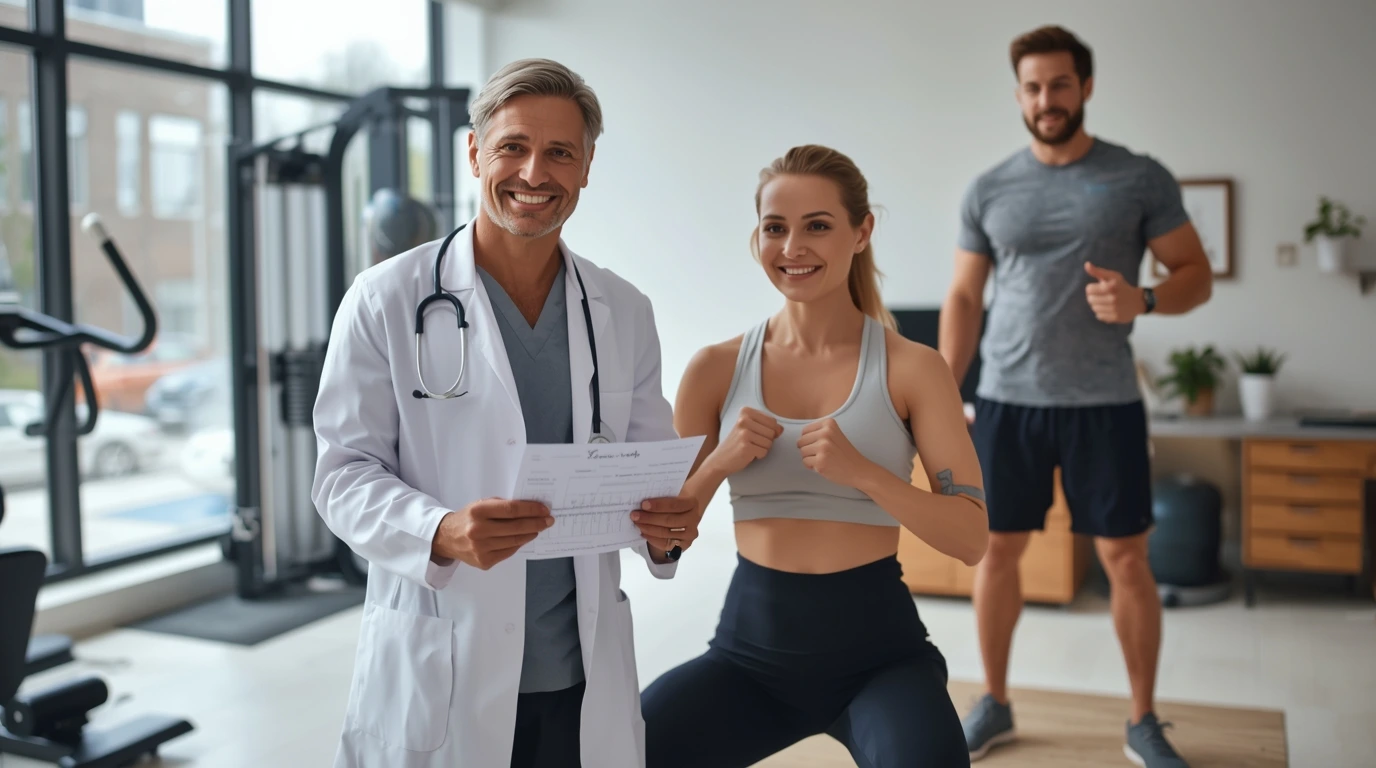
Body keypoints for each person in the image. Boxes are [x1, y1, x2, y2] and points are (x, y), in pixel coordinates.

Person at [311, 58, 702, 768]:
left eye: (560, 152)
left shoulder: (623, 311)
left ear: (586, 167)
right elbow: (341, 476)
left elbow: (649, 478)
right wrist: (439, 530)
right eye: (513, 147)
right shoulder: (384, 300)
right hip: (443, 663)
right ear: (473, 153)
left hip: (580, 676)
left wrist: (669, 530)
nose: (534, 173)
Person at [639, 145, 988, 768]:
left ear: (861, 232)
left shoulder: (914, 368)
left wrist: (864, 474)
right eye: (776, 227)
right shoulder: (715, 369)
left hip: (881, 658)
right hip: (748, 657)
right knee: (620, 750)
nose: (793, 247)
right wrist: (718, 462)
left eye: (817, 226)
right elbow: (662, 542)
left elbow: (970, 537)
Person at [941, 25, 1213, 768]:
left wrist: (1146, 301)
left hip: (1103, 403)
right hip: (1006, 401)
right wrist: (937, 391)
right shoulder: (990, 187)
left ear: (1085, 87)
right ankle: (993, 701)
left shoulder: (1139, 177)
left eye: (1059, 85)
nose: (1045, 100)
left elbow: (1195, 271)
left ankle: (1142, 719)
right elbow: (965, 298)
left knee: (1126, 559)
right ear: (1019, 93)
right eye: (1032, 87)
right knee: (997, 552)